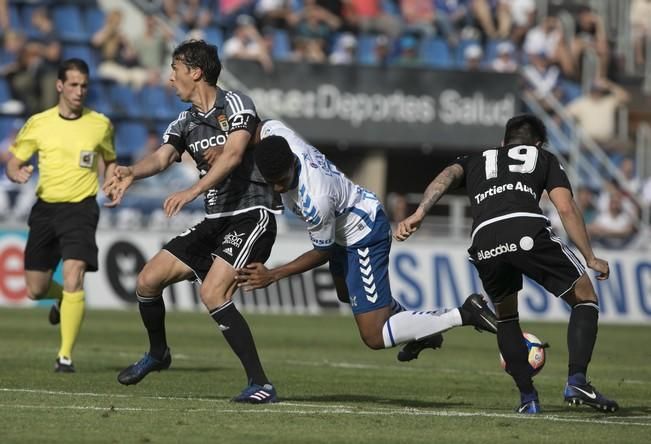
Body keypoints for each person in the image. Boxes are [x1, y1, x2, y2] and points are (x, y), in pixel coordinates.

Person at [395, 114, 619, 414]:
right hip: (526, 229)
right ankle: (577, 379)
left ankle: (528, 399)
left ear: (504, 142)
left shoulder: (476, 158)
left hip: (484, 238)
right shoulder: (543, 157)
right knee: (585, 297)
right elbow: (564, 206)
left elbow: (446, 175)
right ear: (537, 143)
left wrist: (420, 212)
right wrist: (590, 256)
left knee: (507, 318)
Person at [103, 40, 283, 403]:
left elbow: (233, 155)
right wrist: (131, 172)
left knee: (212, 292)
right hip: (216, 219)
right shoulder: (185, 122)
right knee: (147, 280)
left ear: (195, 72)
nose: (171, 79)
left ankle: (261, 383)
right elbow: (162, 157)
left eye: (175, 70)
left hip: (252, 214)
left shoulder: (236, 104)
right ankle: (158, 353)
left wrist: (192, 191)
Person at [235, 120, 497, 365]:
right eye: (273, 183)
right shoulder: (279, 135)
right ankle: (423, 331)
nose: (279, 189)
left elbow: (322, 251)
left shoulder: (315, 198)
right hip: (342, 230)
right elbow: (258, 128)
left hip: (364, 234)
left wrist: (273, 275)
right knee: (345, 293)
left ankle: (464, 313)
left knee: (374, 335)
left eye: (282, 181)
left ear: (293, 162)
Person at [5, 58, 116, 372]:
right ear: (59, 86)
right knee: (35, 288)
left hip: (81, 208)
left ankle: (65, 356)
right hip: (45, 209)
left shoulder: (101, 124)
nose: (79, 91)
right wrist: (16, 172)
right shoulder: (39, 122)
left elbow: (109, 159)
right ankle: (61, 300)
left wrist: (110, 179)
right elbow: (14, 160)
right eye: (73, 85)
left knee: (73, 275)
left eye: (84, 85)